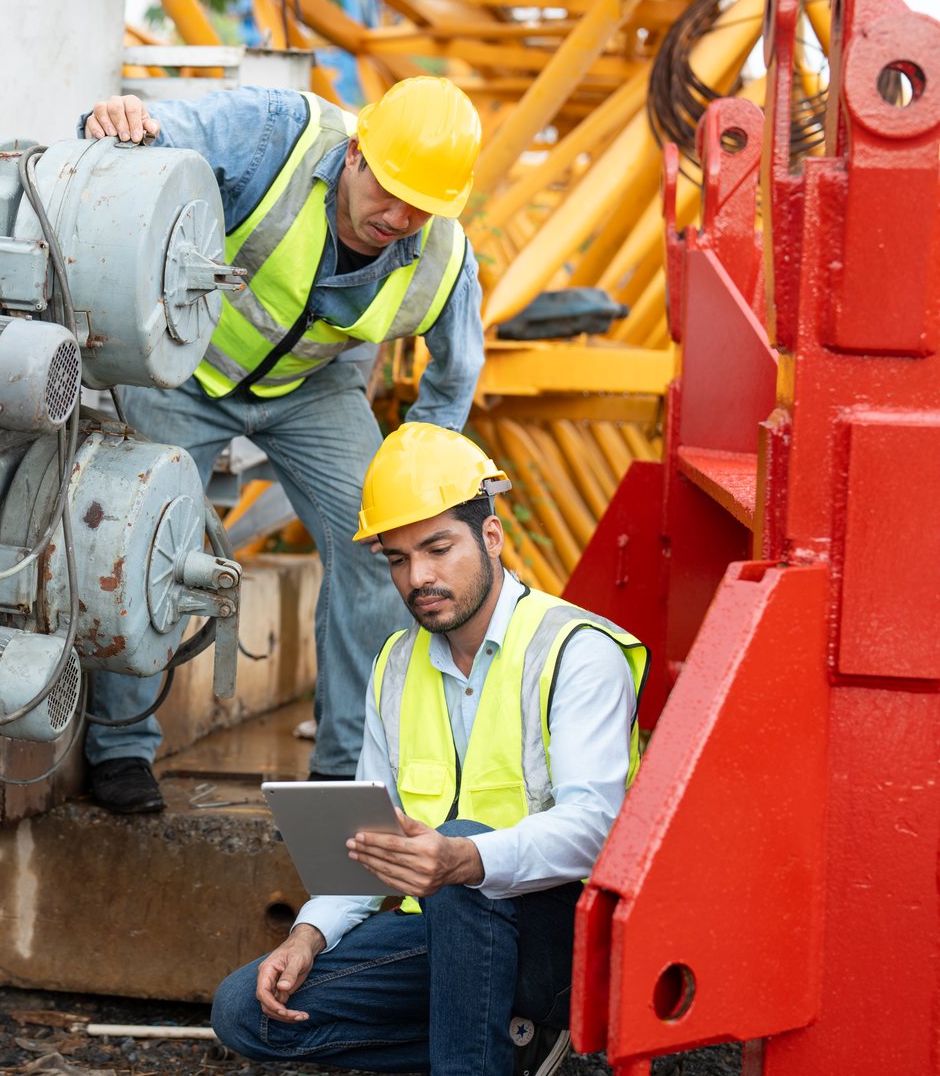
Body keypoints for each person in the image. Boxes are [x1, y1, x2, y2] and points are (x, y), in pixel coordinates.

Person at [81, 78, 488, 813]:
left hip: (311, 391)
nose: (398, 219)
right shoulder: (276, 134)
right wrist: (121, 119)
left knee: (387, 544)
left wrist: (424, 469)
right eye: (389, 191)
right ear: (356, 153)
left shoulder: (443, 261)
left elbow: (456, 372)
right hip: (185, 367)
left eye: (421, 208)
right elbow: (160, 132)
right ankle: (120, 750)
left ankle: (345, 772)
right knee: (138, 536)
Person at [209, 423, 648, 1076]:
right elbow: (370, 844)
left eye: (439, 548)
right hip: (449, 933)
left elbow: (596, 830)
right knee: (245, 1009)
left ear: (491, 538)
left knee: (467, 852)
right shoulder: (394, 666)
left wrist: (466, 857)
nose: (419, 577)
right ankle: (503, 1044)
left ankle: (493, 1043)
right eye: (398, 558)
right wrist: (308, 934)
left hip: (567, 945)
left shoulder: (576, 652)